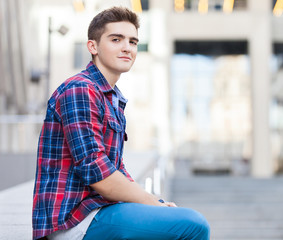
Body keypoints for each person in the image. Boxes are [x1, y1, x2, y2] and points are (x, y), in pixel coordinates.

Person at [32, 6, 210, 240]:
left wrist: (157, 202)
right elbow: (96, 170)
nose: (127, 47)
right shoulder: (80, 89)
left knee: (173, 219)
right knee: (193, 225)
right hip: (74, 220)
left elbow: (116, 167)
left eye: (133, 42)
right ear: (93, 47)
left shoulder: (111, 97)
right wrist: (151, 204)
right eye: (116, 39)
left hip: (100, 211)